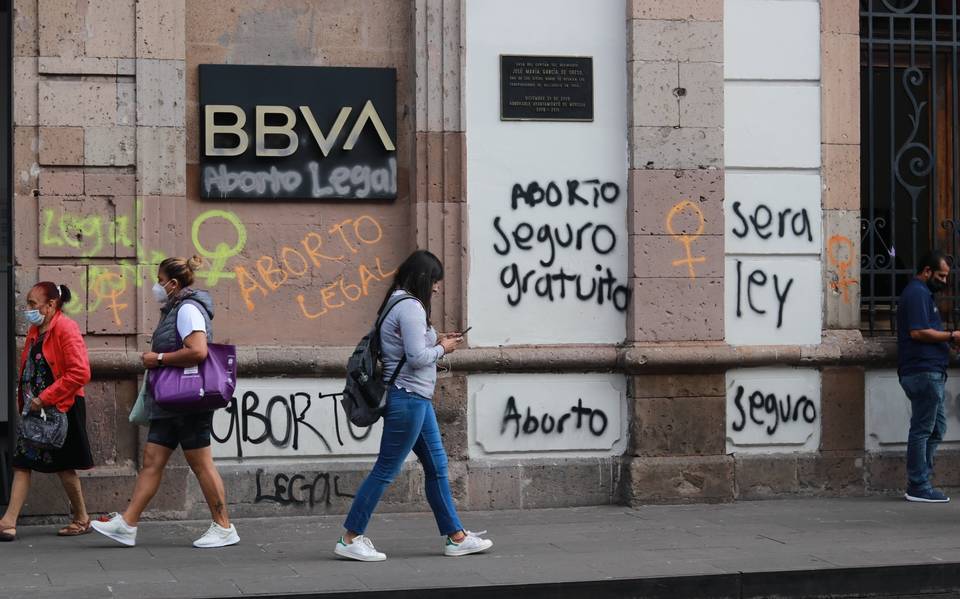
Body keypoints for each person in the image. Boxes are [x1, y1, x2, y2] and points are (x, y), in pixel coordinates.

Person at [334, 250, 493, 562]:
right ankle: (350, 537)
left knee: (437, 467)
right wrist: (442, 349)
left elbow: (413, 347)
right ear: (423, 278)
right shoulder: (410, 308)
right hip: (408, 399)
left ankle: (456, 537)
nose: (436, 288)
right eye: (435, 281)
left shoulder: (398, 301)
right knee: (386, 469)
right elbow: (418, 357)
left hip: (415, 400)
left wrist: (439, 339)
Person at [91, 256, 239, 548]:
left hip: (188, 401)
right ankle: (128, 524)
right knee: (152, 461)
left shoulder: (188, 310)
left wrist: (157, 359)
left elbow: (198, 351)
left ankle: (224, 527)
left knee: (201, 463)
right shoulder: (174, 309)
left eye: (160, 281)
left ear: (173, 283)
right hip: (170, 402)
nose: (156, 287)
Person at [0, 283, 93, 541]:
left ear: (51, 305)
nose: (28, 309)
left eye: (33, 304)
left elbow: (80, 373)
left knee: (64, 466)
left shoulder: (66, 327)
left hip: (62, 409)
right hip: (36, 408)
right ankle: (8, 522)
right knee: (22, 462)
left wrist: (45, 398)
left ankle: (82, 518)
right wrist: (30, 402)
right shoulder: (36, 329)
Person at [897, 249, 958, 503]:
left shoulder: (924, 294)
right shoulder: (917, 293)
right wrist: (952, 336)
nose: (944, 282)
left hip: (930, 370)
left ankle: (922, 479)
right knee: (923, 429)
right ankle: (918, 484)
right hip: (923, 371)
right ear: (927, 272)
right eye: (941, 276)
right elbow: (919, 332)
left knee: (937, 427)